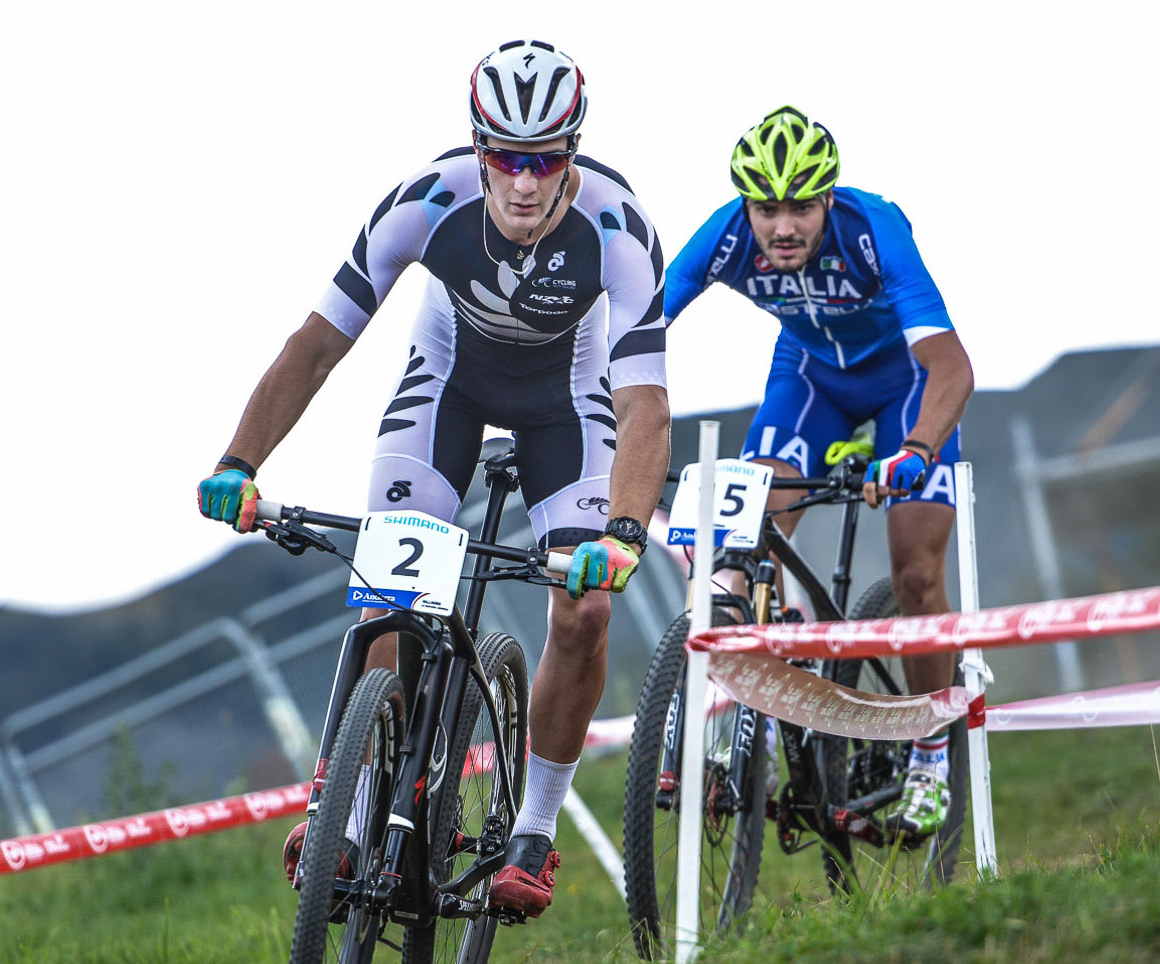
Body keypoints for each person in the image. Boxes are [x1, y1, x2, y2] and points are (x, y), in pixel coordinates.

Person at [196, 40, 671, 918]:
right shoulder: (429, 200)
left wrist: (625, 534)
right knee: (393, 591)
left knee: (587, 609)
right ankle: (360, 797)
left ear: (572, 152)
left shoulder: (617, 225)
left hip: (565, 405)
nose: (524, 183)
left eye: (545, 160)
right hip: (445, 385)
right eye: (504, 158)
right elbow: (317, 345)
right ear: (477, 148)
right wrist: (239, 461)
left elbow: (645, 406)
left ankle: (531, 828)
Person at [663, 106, 974, 838]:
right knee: (741, 540)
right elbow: (637, 332)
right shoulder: (726, 237)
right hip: (810, 382)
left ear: (829, 198)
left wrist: (918, 450)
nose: (783, 227)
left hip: (905, 387)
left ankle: (929, 750)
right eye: (766, 207)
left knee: (917, 575)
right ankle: (743, 718)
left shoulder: (874, 234)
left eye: (801, 205)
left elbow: (952, 368)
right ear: (746, 206)